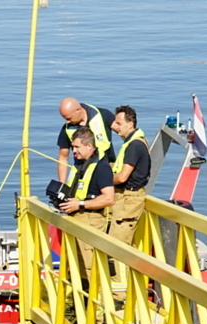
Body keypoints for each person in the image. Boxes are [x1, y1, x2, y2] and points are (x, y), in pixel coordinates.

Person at [59, 126, 115, 283]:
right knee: (76, 267)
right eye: (72, 147)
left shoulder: (101, 167)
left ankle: (98, 304)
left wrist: (80, 204)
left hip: (91, 220)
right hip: (76, 220)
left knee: (90, 267)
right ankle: (80, 303)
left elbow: (109, 199)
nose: (73, 151)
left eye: (77, 147)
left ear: (89, 146)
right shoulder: (80, 165)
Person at [108, 105, 151, 294]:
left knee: (118, 247)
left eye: (119, 123)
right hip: (125, 197)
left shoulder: (134, 145)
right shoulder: (133, 142)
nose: (114, 127)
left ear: (130, 123)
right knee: (117, 243)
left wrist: (102, 179)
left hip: (129, 199)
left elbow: (122, 176)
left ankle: (120, 295)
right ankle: (122, 288)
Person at [56, 98, 115, 183]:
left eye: (69, 118)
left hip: (106, 167)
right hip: (83, 172)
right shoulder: (67, 129)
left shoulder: (103, 115)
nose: (67, 121)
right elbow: (63, 157)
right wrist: (61, 183)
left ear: (78, 110)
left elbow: (122, 131)